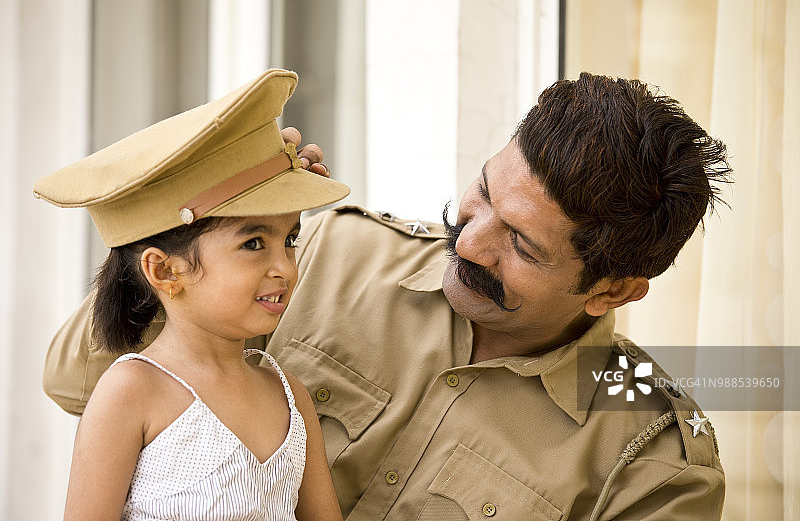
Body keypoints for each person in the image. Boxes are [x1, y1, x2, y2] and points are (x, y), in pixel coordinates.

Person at [43, 72, 730, 520]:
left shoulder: (651, 458)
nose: (468, 242)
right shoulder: (334, 251)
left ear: (611, 290)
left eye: (520, 245)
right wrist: (187, 219)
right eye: (484, 192)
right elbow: (74, 380)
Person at [34, 69, 349, 520]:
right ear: (164, 270)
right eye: (253, 243)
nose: (284, 266)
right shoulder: (131, 392)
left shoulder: (289, 395)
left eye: (290, 239)